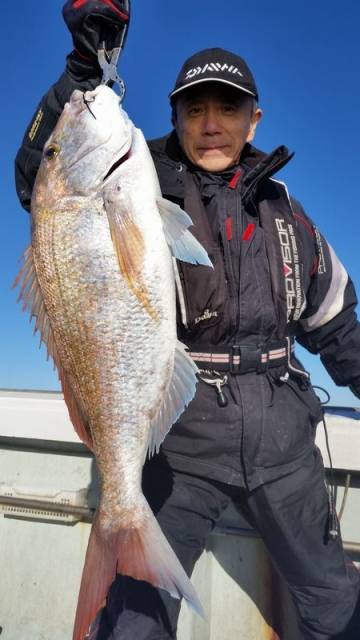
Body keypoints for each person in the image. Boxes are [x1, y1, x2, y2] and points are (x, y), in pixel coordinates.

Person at [15, 2, 360, 639]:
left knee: (339, 607)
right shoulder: (147, 184)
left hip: (285, 446)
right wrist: (83, 69)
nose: (209, 124)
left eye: (226, 108)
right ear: (173, 117)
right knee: (135, 625)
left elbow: (340, 327)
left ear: (253, 120)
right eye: (193, 108)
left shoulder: (290, 216)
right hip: (181, 445)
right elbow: (42, 176)